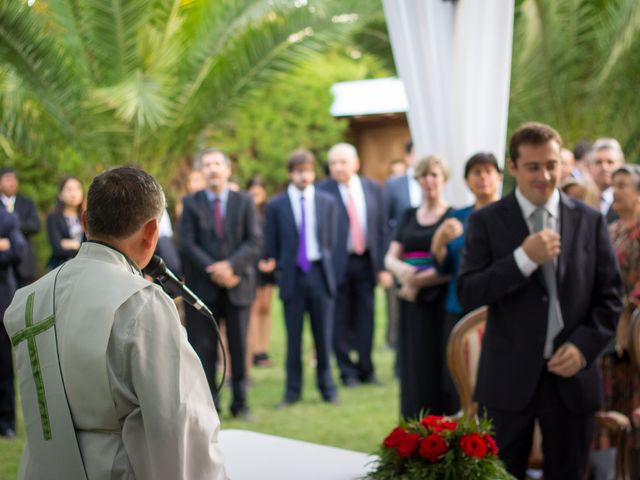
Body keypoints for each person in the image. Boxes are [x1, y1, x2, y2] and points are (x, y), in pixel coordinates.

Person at [3, 166, 227, 479]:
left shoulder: (27, 301)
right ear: (151, 231)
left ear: (84, 221)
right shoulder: (142, 302)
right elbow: (179, 422)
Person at [458, 122, 623, 480]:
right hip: (507, 380)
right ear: (513, 166)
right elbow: (469, 291)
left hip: (572, 380)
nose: (545, 175)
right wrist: (523, 259)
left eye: (551, 165)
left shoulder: (590, 221)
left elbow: (611, 298)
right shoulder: (486, 221)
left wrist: (583, 348)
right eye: (533, 166)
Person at [179, 148, 262, 419]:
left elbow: (254, 240)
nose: (213, 169)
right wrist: (213, 269)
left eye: (218, 164)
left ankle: (241, 403)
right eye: (207, 165)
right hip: (203, 286)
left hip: (237, 284)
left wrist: (231, 266)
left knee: (238, 347)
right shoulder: (191, 203)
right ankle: (209, 404)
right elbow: (188, 243)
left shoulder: (245, 201)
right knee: (203, 349)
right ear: (202, 171)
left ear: (227, 169)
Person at [264, 149, 339, 407]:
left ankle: (327, 387)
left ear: (313, 172)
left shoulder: (327, 201)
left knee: (323, 335)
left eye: (307, 170)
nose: (304, 176)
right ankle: (292, 391)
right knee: (293, 338)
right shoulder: (276, 205)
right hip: (292, 276)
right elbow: (271, 243)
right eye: (298, 171)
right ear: (290, 174)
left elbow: (334, 240)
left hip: (320, 273)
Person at [430, 152, 502, 414]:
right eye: (476, 172)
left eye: (488, 171)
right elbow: (443, 264)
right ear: (467, 180)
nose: (483, 178)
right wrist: (438, 241)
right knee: (459, 372)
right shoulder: (458, 217)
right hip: (459, 303)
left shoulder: (509, 214)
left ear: (499, 177)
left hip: (496, 306)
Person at [384, 154, 452, 419]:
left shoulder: (451, 216)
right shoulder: (409, 215)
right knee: (413, 362)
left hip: (438, 298)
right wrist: (404, 272)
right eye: (424, 175)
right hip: (411, 300)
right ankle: (414, 422)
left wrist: (418, 280)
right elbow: (390, 256)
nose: (429, 181)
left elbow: (452, 265)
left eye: (434, 175)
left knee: (437, 362)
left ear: (443, 179)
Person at [317, 143, 385, 387]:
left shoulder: (372, 189)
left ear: (355, 163)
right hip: (336, 265)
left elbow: (381, 228)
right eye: (333, 163)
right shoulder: (322, 191)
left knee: (366, 317)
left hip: (366, 261)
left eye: (342, 162)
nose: (337, 167)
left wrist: (383, 266)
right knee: (340, 320)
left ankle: (366, 368)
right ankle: (347, 371)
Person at [592, 165, 640, 478]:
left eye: (624, 184)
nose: (617, 189)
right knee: (608, 400)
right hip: (606, 328)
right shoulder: (610, 229)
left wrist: (628, 309)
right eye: (615, 184)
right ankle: (610, 468)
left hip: (634, 332)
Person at [383, 140, 420, 353]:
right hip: (399, 255)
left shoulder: (434, 182)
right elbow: (385, 223)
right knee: (396, 307)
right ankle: (396, 346)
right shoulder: (394, 185)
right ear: (407, 157)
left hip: (425, 257)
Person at [0, 208, 27, 438]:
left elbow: (18, 250)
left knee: (4, 367)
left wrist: (7, 247)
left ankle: (6, 422)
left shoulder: (7, 217)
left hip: (1, 300)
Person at [246, 175, 275, 369]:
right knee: (255, 308)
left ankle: (264, 348)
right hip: (252, 265)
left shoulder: (268, 212)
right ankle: (255, 350)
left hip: (268, 264)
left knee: (266, 307)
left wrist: (272, 260)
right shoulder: (246, 211)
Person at [0, 168, 41, 287]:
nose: (12, 183)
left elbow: (35, 226)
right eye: (7, 179)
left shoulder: (26, 202)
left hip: (25, 262)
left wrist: (12, 224)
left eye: (14, 179)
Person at [46, 176, 84, 269]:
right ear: (60, 194)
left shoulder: (87, 216)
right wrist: (82, 247)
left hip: (84, 266)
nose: (73, 193)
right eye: (69, 189)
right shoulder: (53, 217)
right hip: (60, 266)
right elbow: (57, 248)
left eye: (77, 189)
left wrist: (76, 245)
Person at [589, 138, 624, 223]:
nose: (604, 167)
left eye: (610, 162)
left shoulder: (630, 201)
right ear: (590, 166)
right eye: (598, 162)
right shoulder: (579, 197)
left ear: (621, 166)